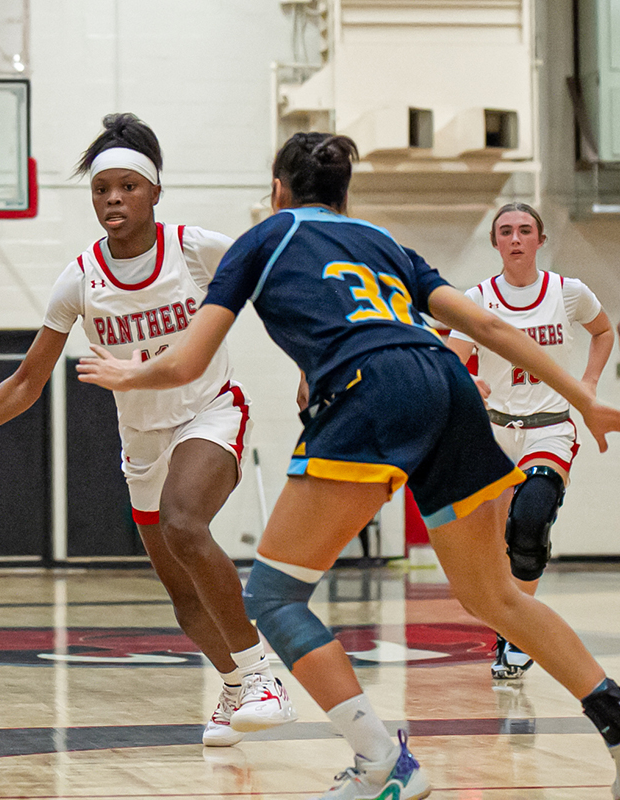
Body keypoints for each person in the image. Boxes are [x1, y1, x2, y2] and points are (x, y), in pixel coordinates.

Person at [77, 132, 620, 800]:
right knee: (494, 595)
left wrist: (126, 375)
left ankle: (381, 762)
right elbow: (491, 330)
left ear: (278, 189)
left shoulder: (264, 238)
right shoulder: (382, 242)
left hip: (371, 390)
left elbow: (187, 362)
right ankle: (613, 714)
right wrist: (584, 398)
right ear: (344, 195)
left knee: (273, 597)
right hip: (446, 384)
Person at [0, 113, 296, 746]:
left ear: (154, 191)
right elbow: (27, 381)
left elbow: (281, 293)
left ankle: (261, 673)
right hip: (142, 440)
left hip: (210, 410)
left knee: (186, 523)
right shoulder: (79, 279)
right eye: (102, 188)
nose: (113, 198)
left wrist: (310, 363)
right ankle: (234, 686)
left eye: (127, 187)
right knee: (183, 597)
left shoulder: (197, 249)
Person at [446, 203, 614, 680]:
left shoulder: (567, 292)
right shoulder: (476, 298)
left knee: (531, 521)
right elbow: (453, 358)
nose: (516, 238)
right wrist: (465, 384)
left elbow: (603, 331)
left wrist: (590, 383)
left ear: (540, 240)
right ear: (496, 243)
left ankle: (517, 639)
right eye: (506, 231)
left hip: (550, 426)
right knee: (493, 544)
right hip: (495, 429)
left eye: (525, 230)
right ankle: (511, 619)